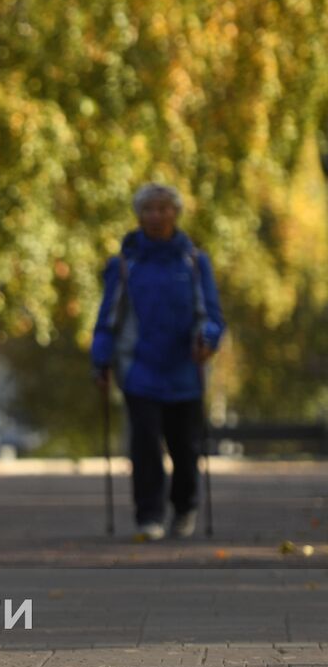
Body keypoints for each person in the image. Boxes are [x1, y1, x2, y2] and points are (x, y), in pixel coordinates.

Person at [92, 182, 224, 541]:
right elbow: (108, 319)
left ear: (176, 213)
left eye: (163, 208)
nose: (156, 216)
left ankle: (185, 506)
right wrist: (101, 360)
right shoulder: (124, 265)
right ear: (139, 215)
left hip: (186, 369)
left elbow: (211, 314)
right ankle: (149, 514)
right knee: (145, 445)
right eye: (149, 209)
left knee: (186, 448)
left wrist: (207, 338)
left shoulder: (195, 262)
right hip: (140, 370)